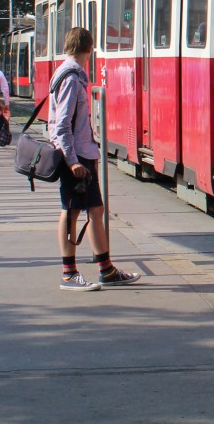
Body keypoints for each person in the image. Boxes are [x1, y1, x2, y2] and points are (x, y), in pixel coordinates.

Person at [48, 26, 140, 291]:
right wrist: (72, 160)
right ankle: (69, 273)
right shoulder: (71, 77)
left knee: (94, 211)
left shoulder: (66, 72)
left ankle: (106, 269)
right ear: (89, 48)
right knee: (71, 211)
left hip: (82, 153)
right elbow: (62, 125)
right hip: (75, 157)